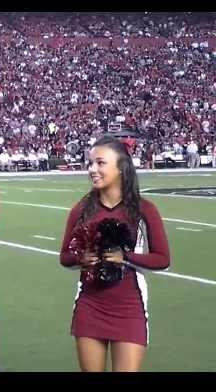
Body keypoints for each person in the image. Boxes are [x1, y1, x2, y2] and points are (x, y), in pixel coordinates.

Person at [59, 135, 170, 372]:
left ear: (121, 167)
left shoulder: (144, 209)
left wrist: (125, 257)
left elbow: (163, 259)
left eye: (100, 163)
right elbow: (64, 257)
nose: (92, 169)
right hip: (90, 305)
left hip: (129, 306)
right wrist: (82, 259)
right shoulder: (81, 209)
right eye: (90, 163)